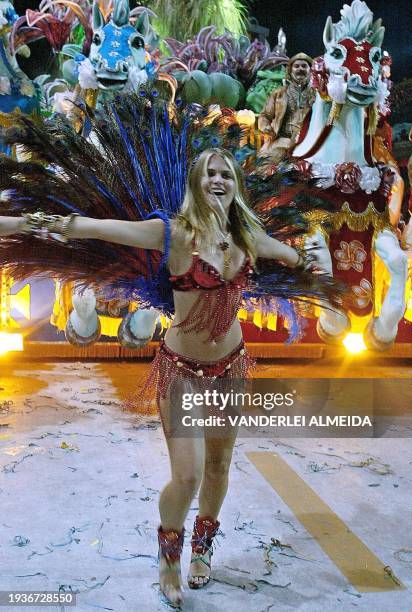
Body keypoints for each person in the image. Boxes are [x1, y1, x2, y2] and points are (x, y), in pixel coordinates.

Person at [0, 147, 314, 608]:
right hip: (182, 370)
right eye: (209, 174)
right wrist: (32, 225)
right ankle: (169, 556)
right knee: (185, 476)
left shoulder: (249, 238)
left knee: (218, 466)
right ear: (195, 183)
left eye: (226, 174)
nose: (218, 180)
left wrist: (314, 264)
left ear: (237, 185)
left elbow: (295, 258)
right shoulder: (173, 234)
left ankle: (202, 548)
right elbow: (92, 227)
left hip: (231, 367)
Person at [257, 52, 315, 170]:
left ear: (311, 70)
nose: (300, 69)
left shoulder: (317, 96)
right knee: (262, 167)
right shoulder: (279, 94)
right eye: (296, 66)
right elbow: (264, 115)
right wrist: (266, 127)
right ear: (290, 70)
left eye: (304, 66)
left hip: (306, 143)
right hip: (279, 140)